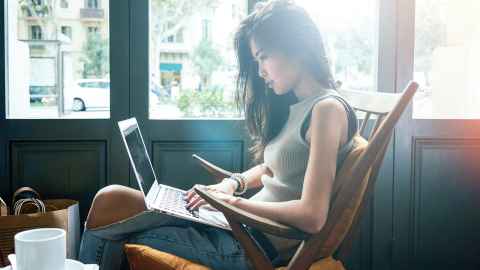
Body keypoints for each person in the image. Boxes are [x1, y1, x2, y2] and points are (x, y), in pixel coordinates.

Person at [78, 1, 358, 269]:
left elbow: (312, 216)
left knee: (111, 228)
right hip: (235, 225)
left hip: (249, 245)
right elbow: (276, 167)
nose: (260, 71)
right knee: (110, 199)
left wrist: (233, 205)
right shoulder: (299, 105)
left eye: (263, 57)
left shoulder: (327, 110)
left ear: (296, 46)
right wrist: (232, 185)